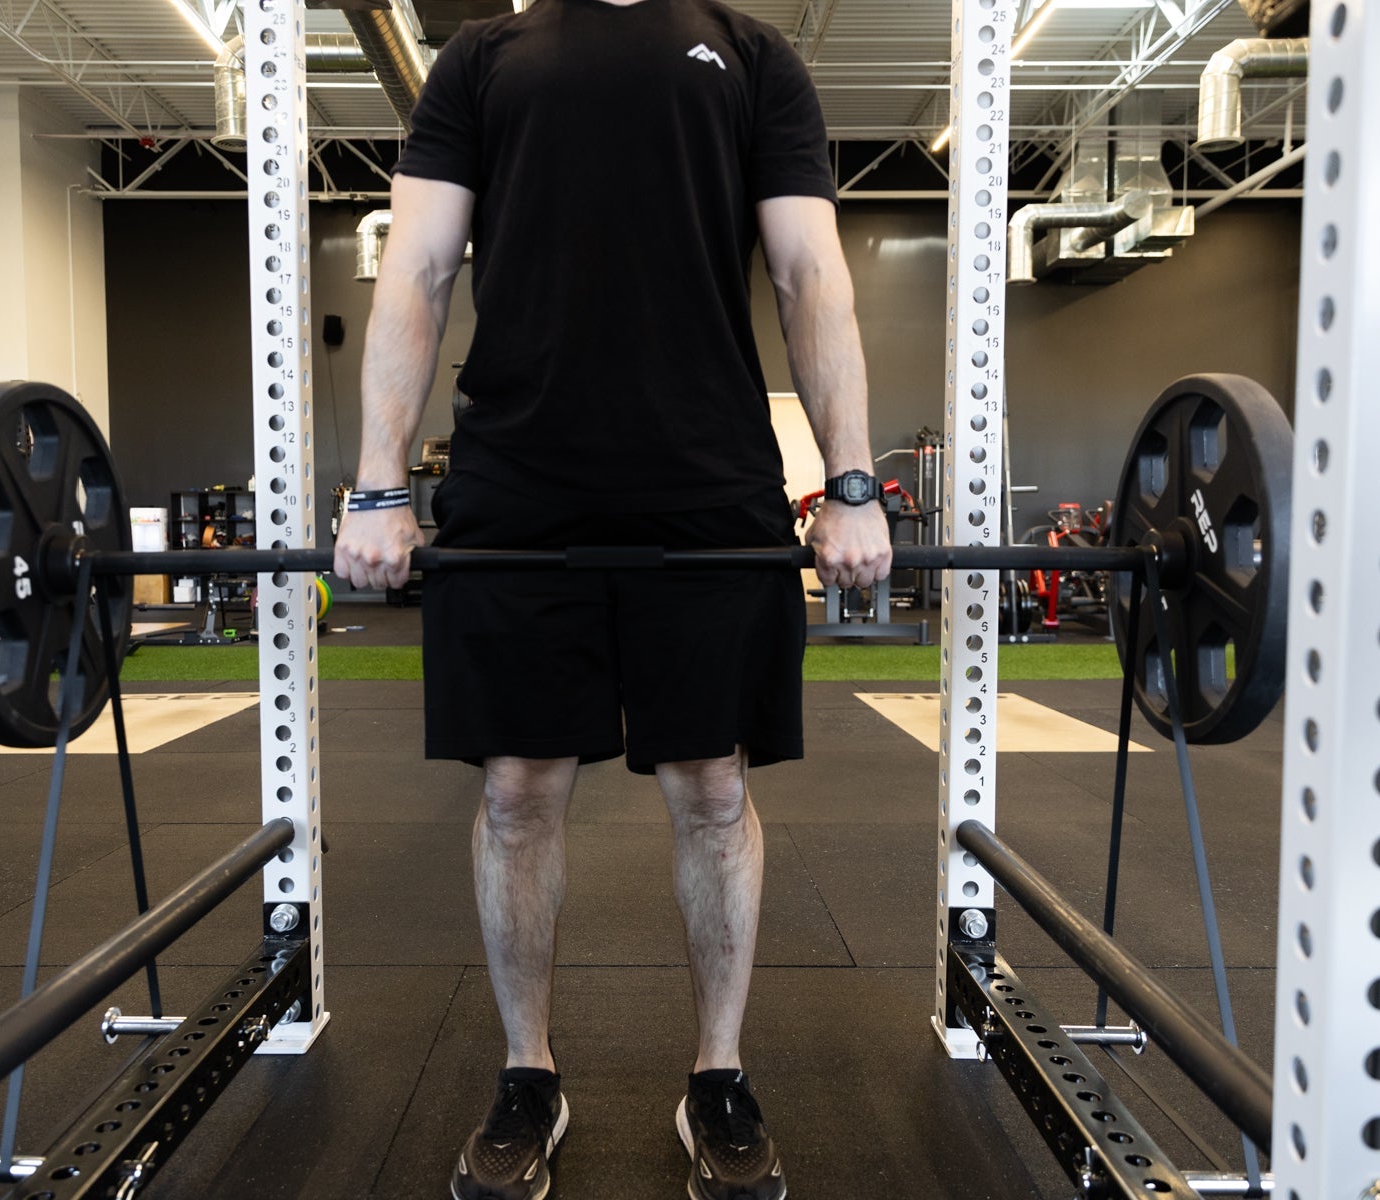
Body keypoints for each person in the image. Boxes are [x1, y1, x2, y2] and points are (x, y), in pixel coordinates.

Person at [333, 0, 890, 1193]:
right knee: (519, 787)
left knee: (711, 781)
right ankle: (528, 1073)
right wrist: (380, 486)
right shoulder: (481, 59)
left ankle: (718, 1078)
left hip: (706, 477)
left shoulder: (749, 55)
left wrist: (850, 480)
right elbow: (418, 266)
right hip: (520, 479)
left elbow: (808, 270)